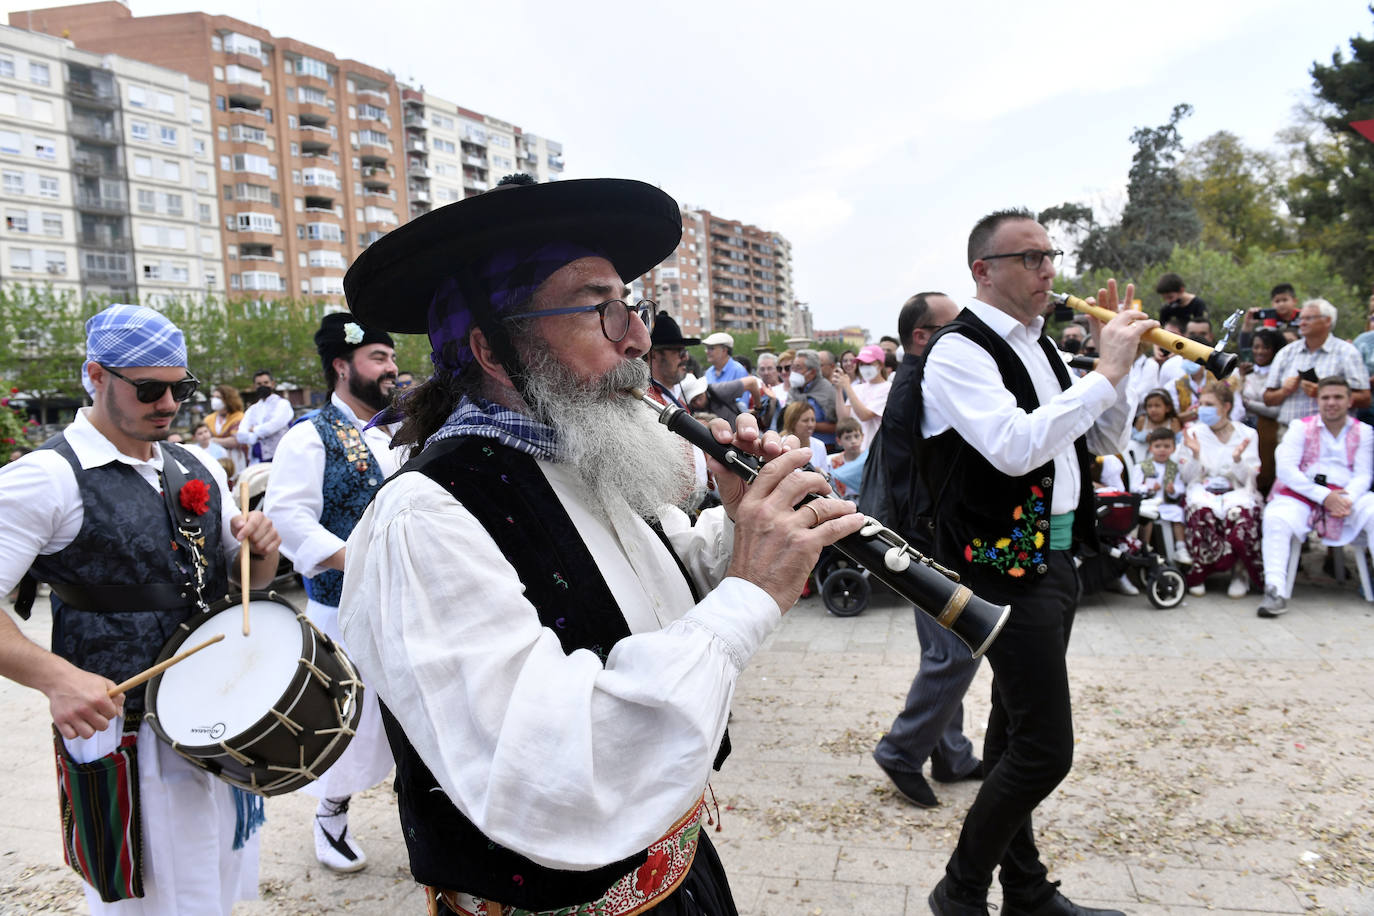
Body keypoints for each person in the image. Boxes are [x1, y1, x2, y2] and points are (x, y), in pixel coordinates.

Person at [334, 174, 866, 915]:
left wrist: (750, 527)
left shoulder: (586, 447)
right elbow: (552, 773)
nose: (640, 337)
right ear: (493, 349)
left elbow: (649, 592)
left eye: (633, 306)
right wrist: (748, 596)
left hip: (681, 877)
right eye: (599, 308)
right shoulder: (423, 519)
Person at [0, 304, 281, 914]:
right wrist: (56, 678)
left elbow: (246, 587)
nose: (168, 403)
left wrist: (262, 552)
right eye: (149, 388)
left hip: (213, 714)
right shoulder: (45, 478)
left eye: (180, 387)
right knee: (147, 895)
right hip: (124, 733)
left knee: (219, 878)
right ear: (97, 378)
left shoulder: (196, 463)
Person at [916, 209, 1152, 916]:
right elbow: (1014, 447)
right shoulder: (960, 352)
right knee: (1046, 750)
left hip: (1054, 563)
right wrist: (1103, 370)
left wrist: (1121, 374)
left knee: (1013, 732)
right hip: (998, 568)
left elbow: (1097, 436)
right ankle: (959, 892)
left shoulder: (1042, 347)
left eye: (1051, 254)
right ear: (983, 271)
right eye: (1030, 257)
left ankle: (1026, 890)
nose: (1049, 268)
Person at [262, 313, 401, 873]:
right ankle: (332, 812)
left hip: (408, 605)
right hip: (343, 606)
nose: (392, 369)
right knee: (352, 720)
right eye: (378, 359)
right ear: (342, 367)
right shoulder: (308, 435)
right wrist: (359, 560)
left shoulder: (399, 431)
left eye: (392, 358)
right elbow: (289, 519)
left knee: (415, 715)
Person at [873, 290, 978, 812]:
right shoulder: (922, 381)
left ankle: (951, 752)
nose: (967, 331)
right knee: (956, 650)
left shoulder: (919, 376)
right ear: (922, 337)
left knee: (947, 649)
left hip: (928, 534)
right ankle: (902, 750)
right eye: (954, 325)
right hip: (927, 538)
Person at [1258, 377, 1374, 618]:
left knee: (1372, 509)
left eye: (1338, 397)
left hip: (1346, 496)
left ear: (1350, 401)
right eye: (1326, 397)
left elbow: (1364, 475)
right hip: (1304, 493)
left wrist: (1346, 499)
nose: (1331, 403)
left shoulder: (1364, 431)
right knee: (1276, 517)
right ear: (1317, 400)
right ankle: (1274, 591)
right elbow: (1287, 471)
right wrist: (1324, 496)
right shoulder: (1300, 427)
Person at [1177, 384, 1261, 598]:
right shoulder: (1193, 433)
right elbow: (1187, 477)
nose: (1202, 409)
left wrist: (1238, 460)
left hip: (1237, 491)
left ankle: (1240, 573)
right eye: (1201, 404)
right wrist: (1195, 456)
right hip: (1203, 489)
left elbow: (1249, 478)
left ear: (1226, 407)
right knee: (1201, 512)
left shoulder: (1247, 434)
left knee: (1241, 515)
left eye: (1209, 405)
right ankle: (1201, 572)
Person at [1263, 299, 1371, 429]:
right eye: (1300, 319)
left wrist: (1325, 392)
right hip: (1290, 433)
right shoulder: (1286, 353)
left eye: (1309, 318)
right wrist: (1283, 391)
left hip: (1334, 434)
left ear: (1327, 321)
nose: (1302, 323)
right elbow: (1267, 399)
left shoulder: (1347, 353)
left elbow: (1365, 399)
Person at [1130, 427, 1189, 564]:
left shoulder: (1174, 468)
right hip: (1149, 504)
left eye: (1167, 446)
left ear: (1173, 448)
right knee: (1148, 516)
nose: (1162, 450)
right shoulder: (1142, 466)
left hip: (1167, 505)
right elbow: (1134, 487)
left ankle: (1180, 547)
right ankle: (1144, 546)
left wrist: (1173, 490)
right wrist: (1147, 487)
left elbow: (1180, 488)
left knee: (1179, 513)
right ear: (1150, 448)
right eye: (1158, 446)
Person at [1240, 328, 1287, 493]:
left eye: (1265, 347)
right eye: (1256, 347)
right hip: (1245, 429)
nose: (1259, 351)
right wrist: (1240, 379)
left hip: (1269, 430)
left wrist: (1248, 404)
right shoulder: (1245, 372)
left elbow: (1276, 410)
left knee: (1267, 473)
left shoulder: (1280, 375)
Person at [832, 344, 890, 451]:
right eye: (861, 364)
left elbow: (865, 415)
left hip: (876, 449)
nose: (864, 367)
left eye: (868, 364)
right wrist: (838, 390)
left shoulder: (887, 388)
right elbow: (843, 418)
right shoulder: (857, 389)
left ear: (880, 365)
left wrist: (847, 387)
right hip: (856, 450)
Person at [237, 370, 293, 463]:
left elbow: (274, 425)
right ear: (255, 386)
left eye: (266, 383)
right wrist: (255, 437)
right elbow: (241, 435)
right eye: (259, 384)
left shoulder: (282, 404)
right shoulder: (252, 409)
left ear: (272, 384)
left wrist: (254, 430)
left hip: (281, 457)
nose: (262, 386)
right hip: (258, 459)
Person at [788, 348, 838, 450]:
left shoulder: (828, 391)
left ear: (812, 372)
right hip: (796, 447)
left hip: (824, 448)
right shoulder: (793, 390)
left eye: (798, 368)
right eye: (793, 367)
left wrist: (804, 423)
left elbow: (837, 425)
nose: (794, 372)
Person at [206, 383, 247, 477]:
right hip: (215, 457)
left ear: (228, 399)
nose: (214, 400)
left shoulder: (238, 417)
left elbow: (235, 440)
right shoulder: (209, 419)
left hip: (234, 458)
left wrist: (213, 440)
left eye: (218, 397)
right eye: (213, 396)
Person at [827, 416, 864, 498]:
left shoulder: (869, 458)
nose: (853, 441)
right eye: (847, 438)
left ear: (862, 437)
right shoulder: (831, 462)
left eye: (856, 436)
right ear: (839, 441)